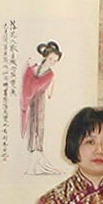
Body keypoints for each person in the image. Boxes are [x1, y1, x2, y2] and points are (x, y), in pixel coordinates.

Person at [20, 41, 62, 175]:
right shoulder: (35, 68)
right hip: (31, 98)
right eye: (50, 59)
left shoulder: (50, 74)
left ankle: (37, 152)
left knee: (39, 123)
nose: (52, 62)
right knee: (31, 124)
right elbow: (28, 81)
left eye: (55, 61)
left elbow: (49, 94)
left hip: (40, 99)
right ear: (45, 56)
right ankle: (31, 152)